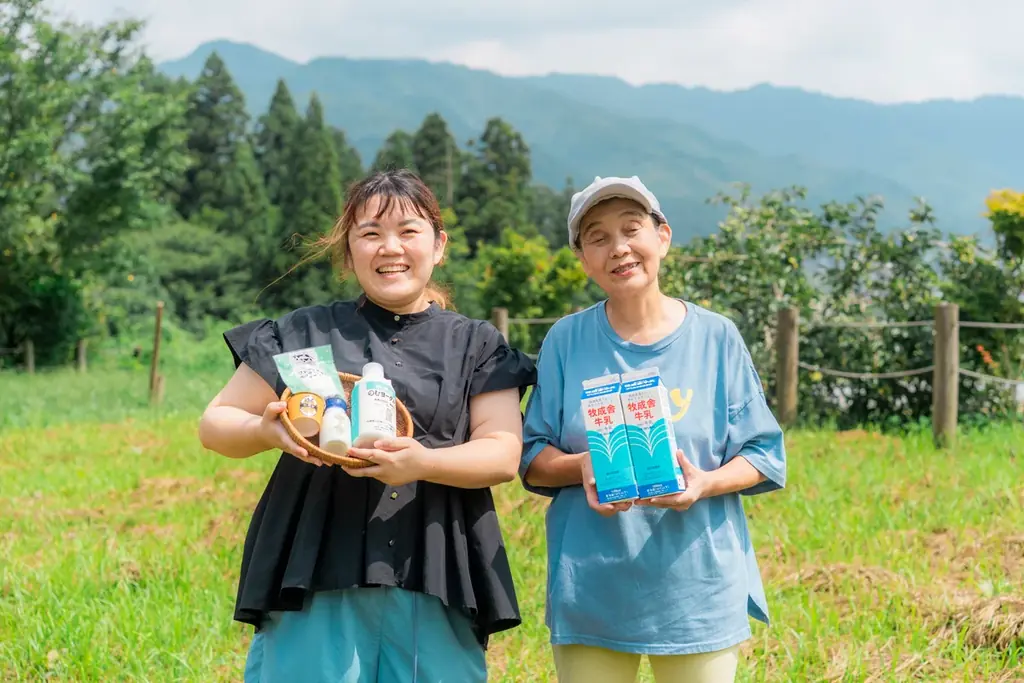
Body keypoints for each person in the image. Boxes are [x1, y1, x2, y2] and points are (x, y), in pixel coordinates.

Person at [198, 168, 537, 683]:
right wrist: (267, 433)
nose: (390, 248)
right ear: (349, 250)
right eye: (371, 233)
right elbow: (216, 422)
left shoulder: (477, 344)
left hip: (435, 567)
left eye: (408, 231)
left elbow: (502, 453)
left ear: (439, 246)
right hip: (317, 565)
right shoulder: (305, 331)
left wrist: (423, 463)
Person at [519, 176, 787, 683]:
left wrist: (706, 483)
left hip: (698, 589)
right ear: (583, 259)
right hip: (592, 588)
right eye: (598, 238)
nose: (618, 248)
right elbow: (531, 458)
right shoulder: (565, 341)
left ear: (662, 236)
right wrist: (583, 465)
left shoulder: (717, 337)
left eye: (631, 229)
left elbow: (763, 453)